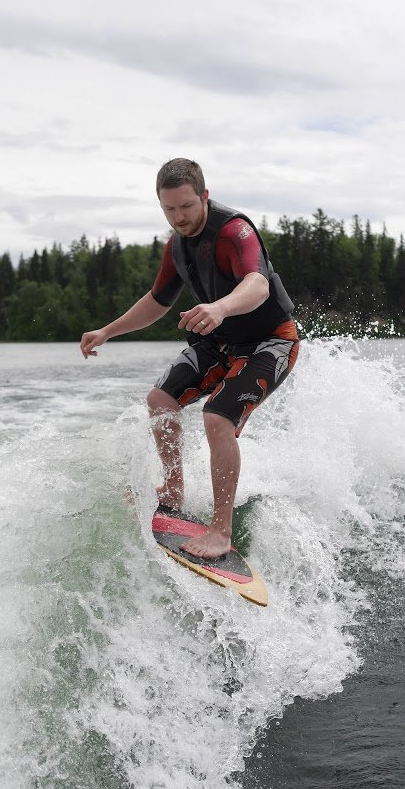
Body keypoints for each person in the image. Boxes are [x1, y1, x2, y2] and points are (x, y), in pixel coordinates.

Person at [80, 158, 299, 559]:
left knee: (217, 417)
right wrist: (107, 331)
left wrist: (220, 307)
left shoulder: (235, 232)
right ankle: (173, 490)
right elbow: (157, 301)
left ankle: (221, 530)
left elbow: (258, 285)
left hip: (270, 342)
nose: (178, 217)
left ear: (204, 196)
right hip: (221, 342)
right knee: (160, 400)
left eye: (186, 206)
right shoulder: (177, 246)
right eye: (169, 209)